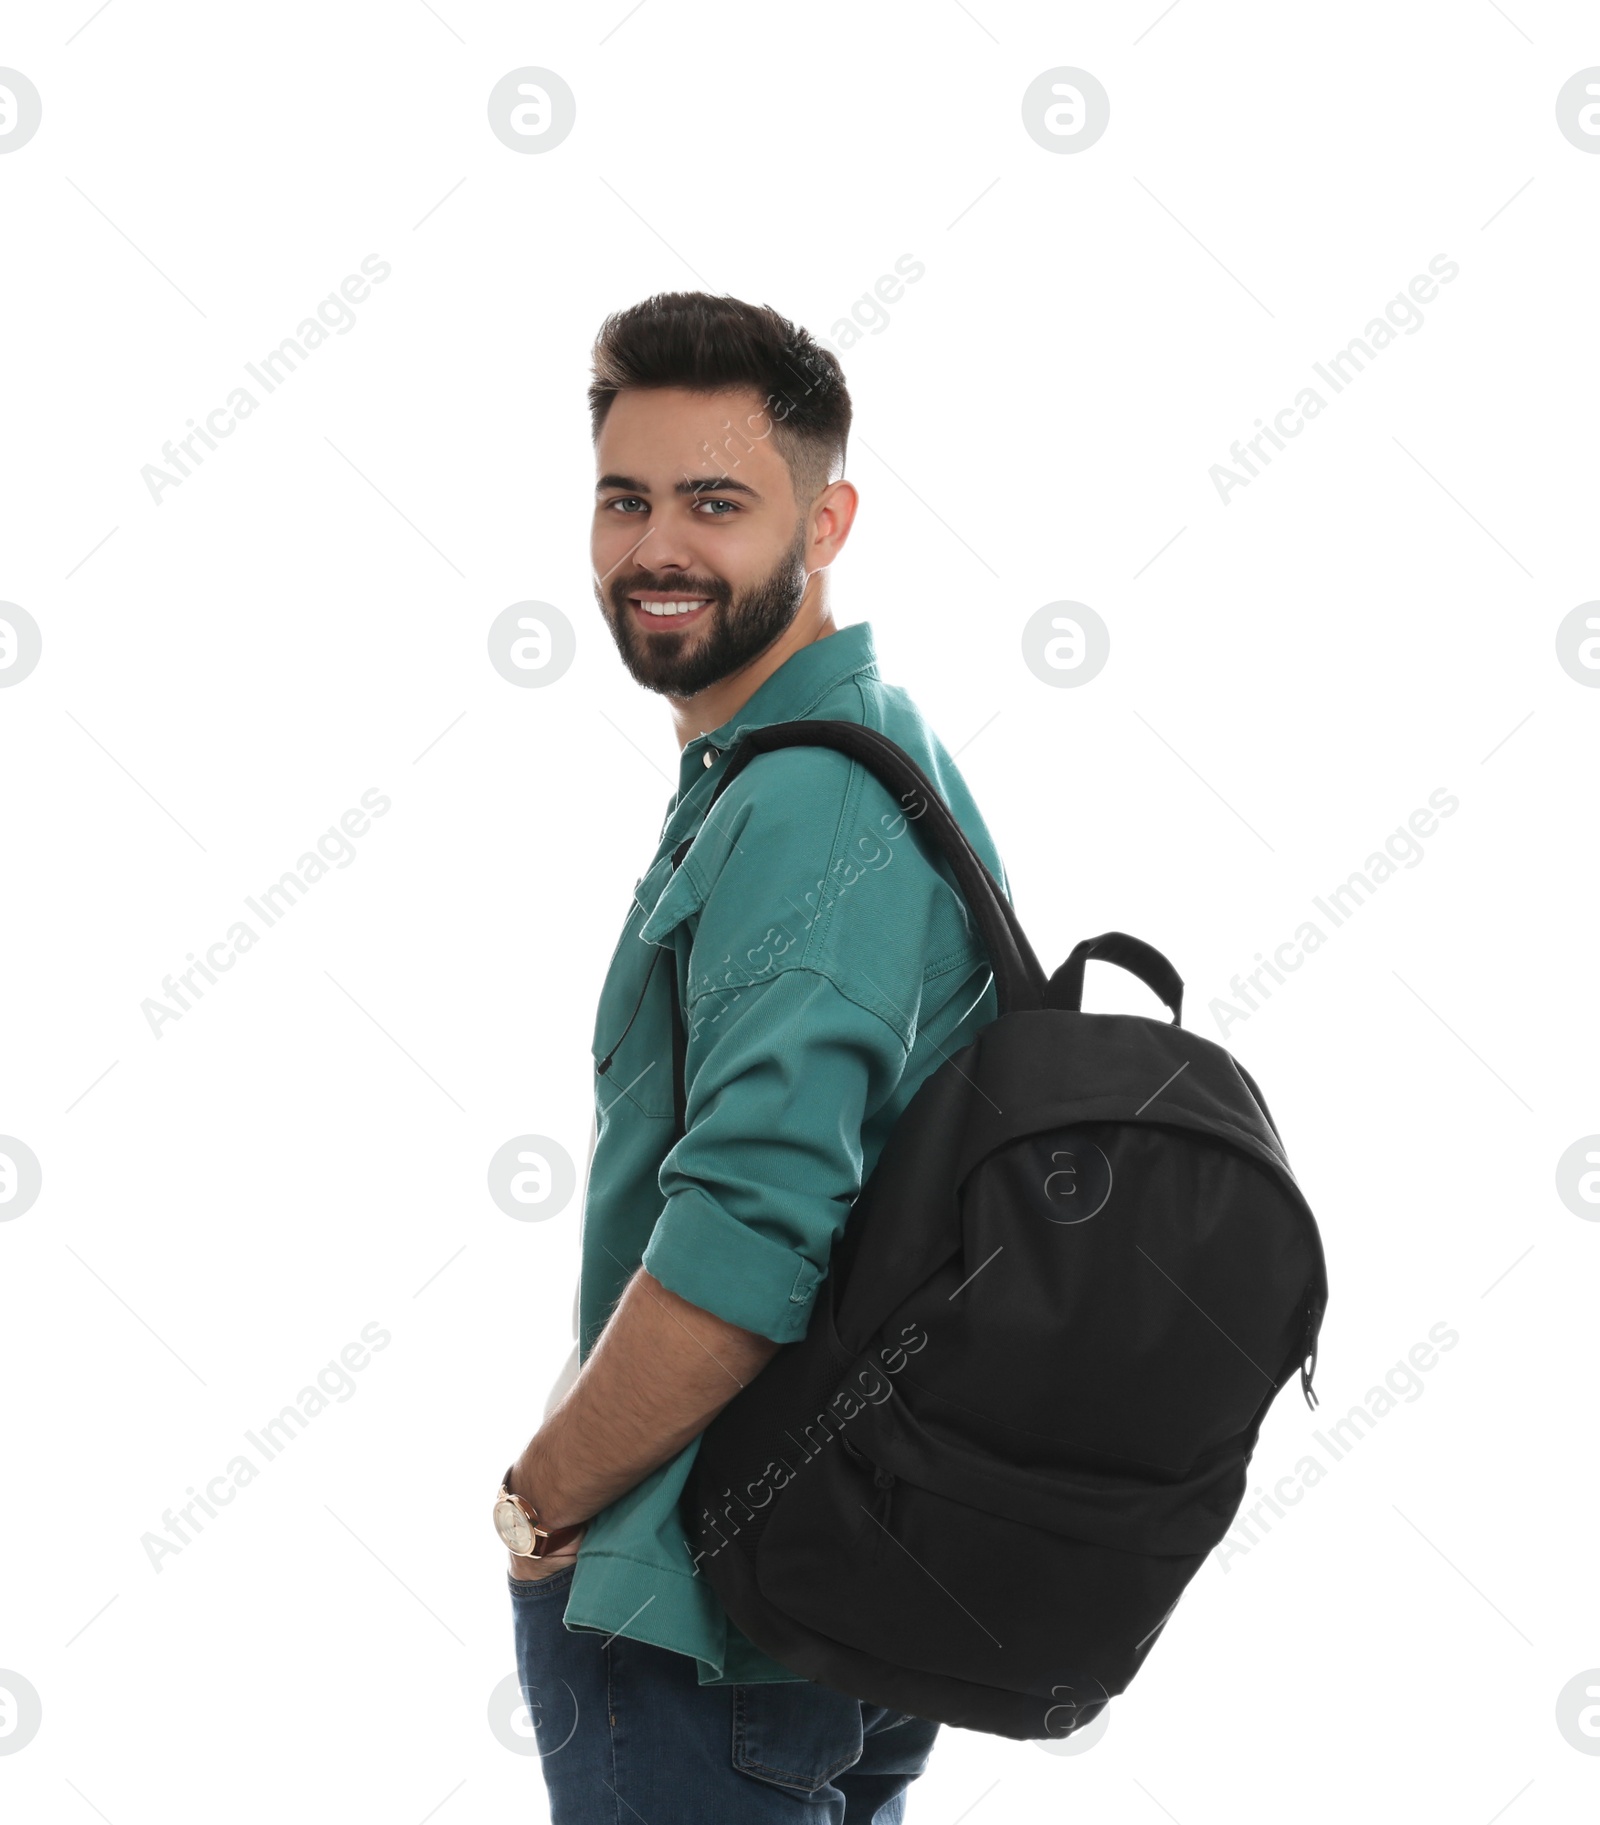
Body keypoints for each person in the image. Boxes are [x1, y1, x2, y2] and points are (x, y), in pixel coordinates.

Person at [501, 290, 1012, 1821]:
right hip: (825, 1583)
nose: (659, 547)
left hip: (704, 1613)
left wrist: (546, 1496)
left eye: (716, 503)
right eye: (625, 498)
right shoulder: (857, 743)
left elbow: (751, 1234)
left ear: (828, 516)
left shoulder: (807, 805)